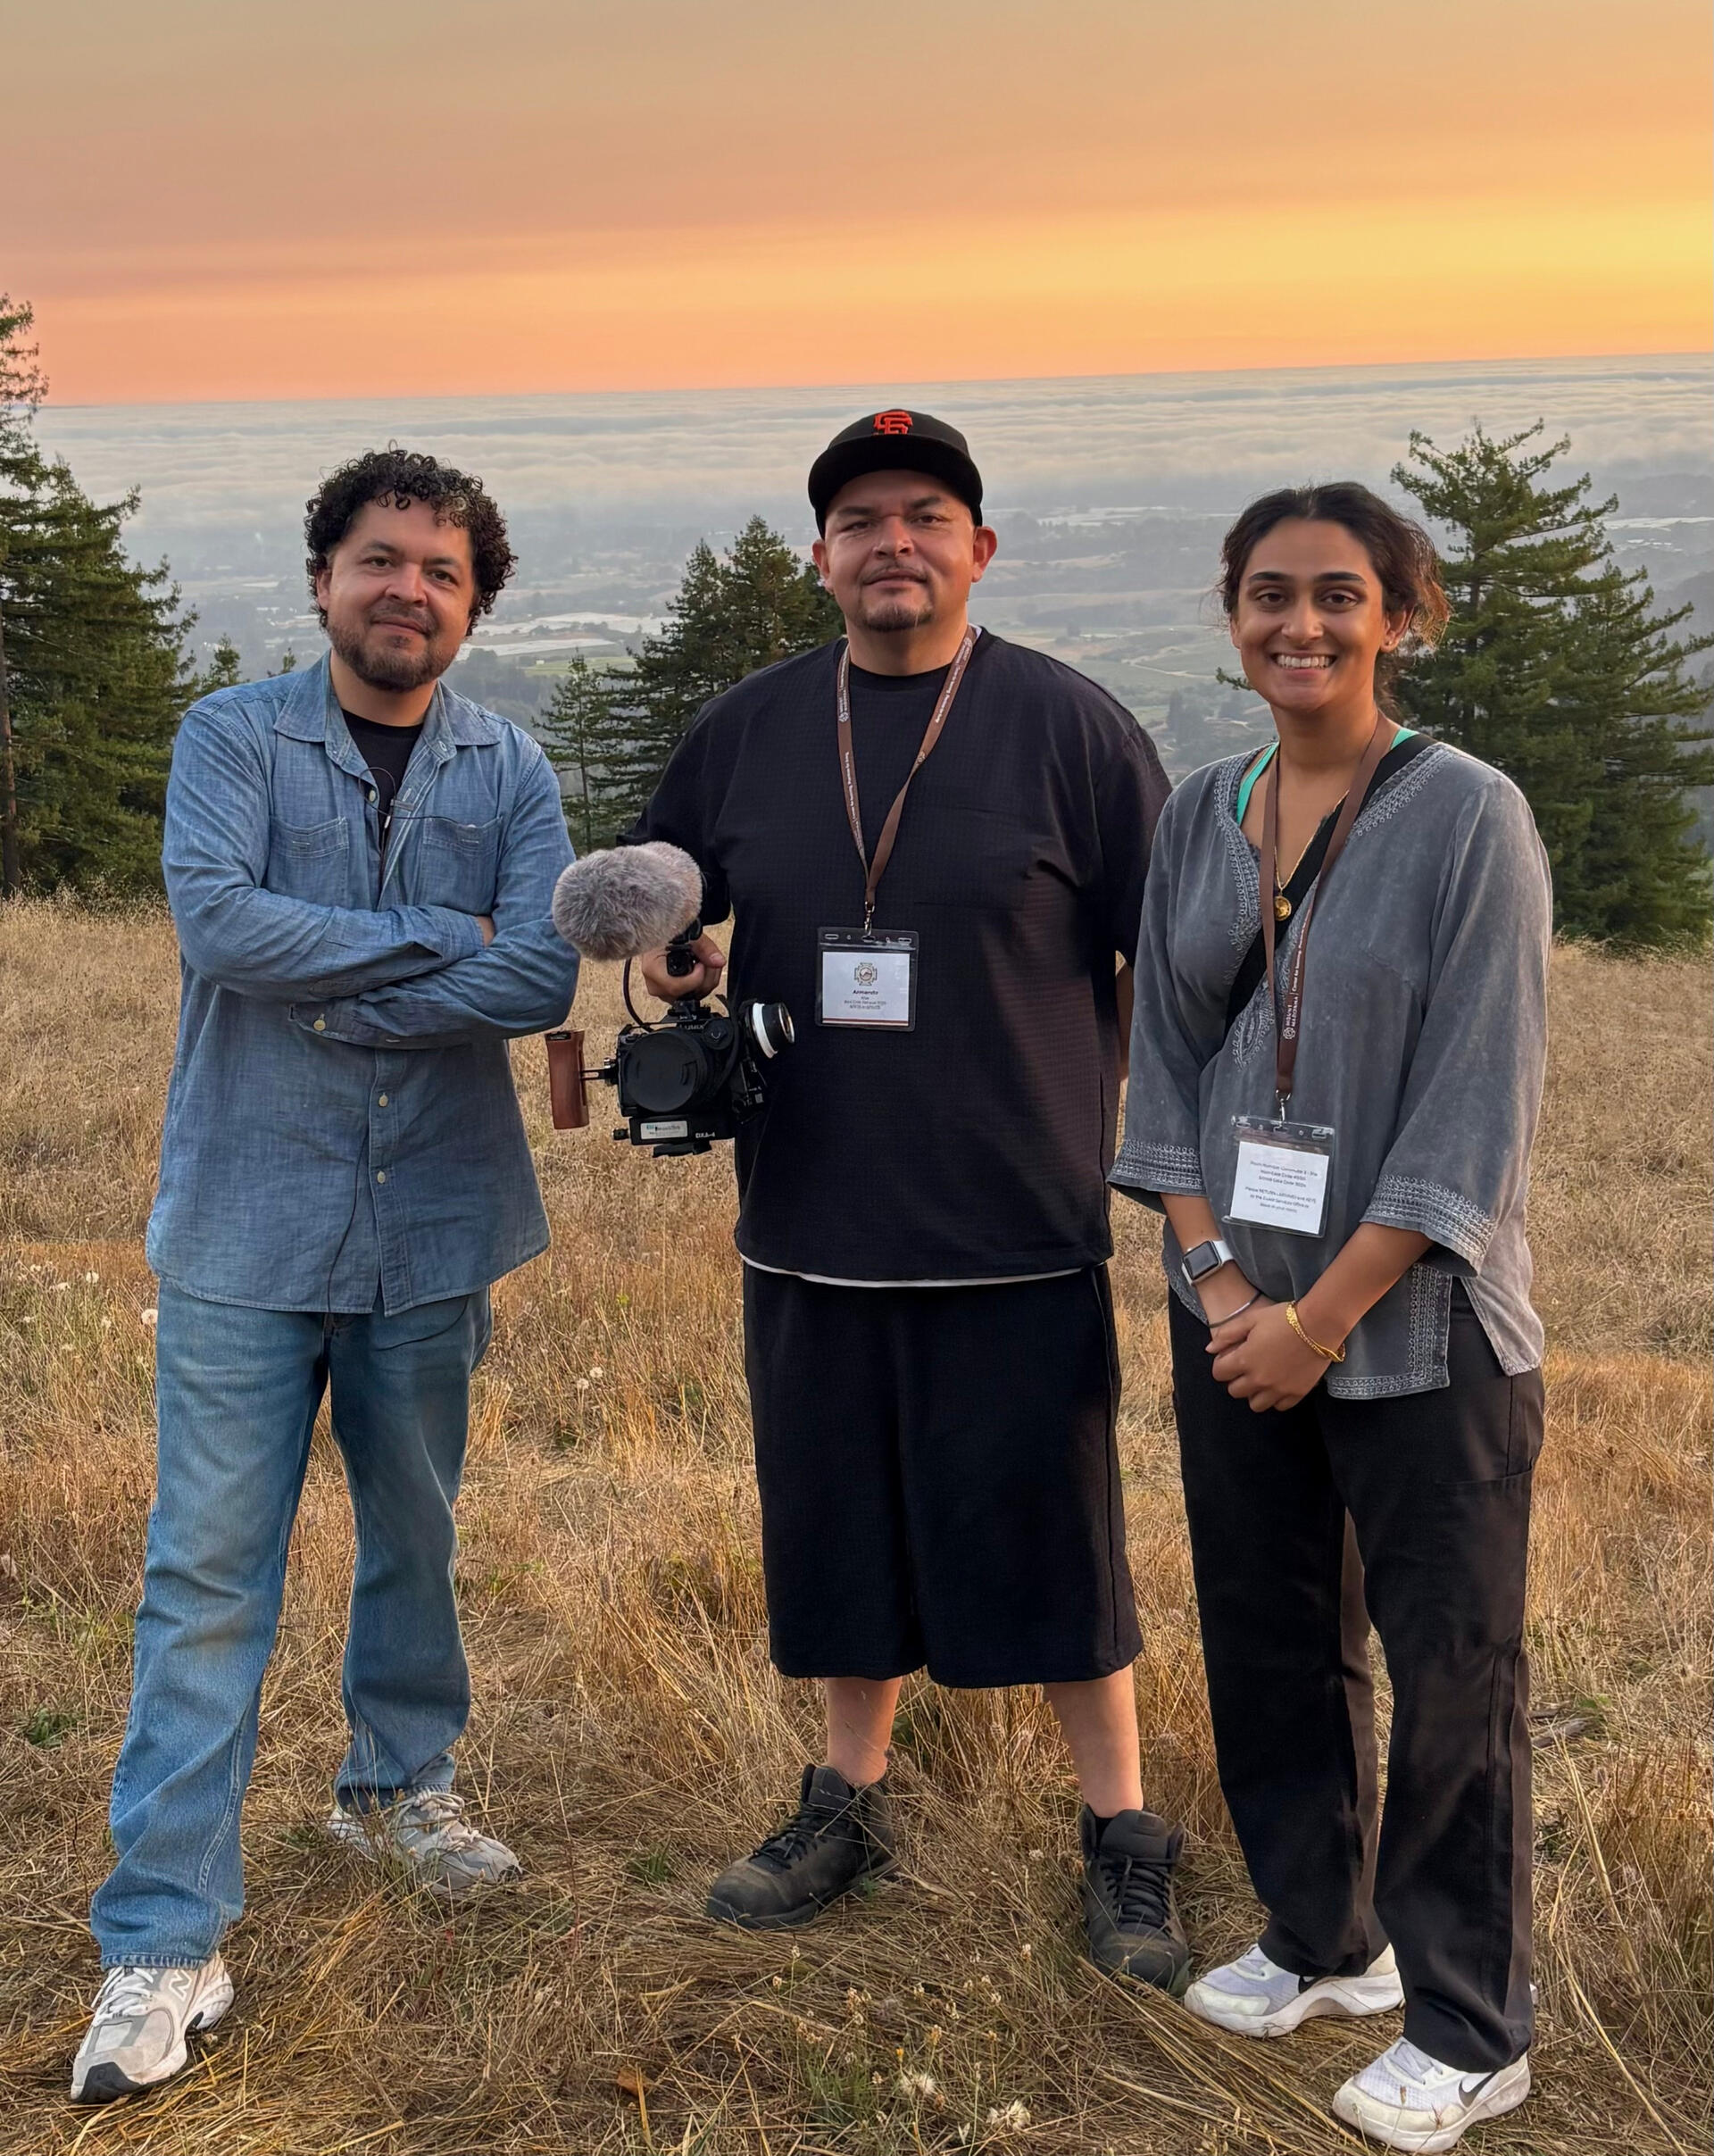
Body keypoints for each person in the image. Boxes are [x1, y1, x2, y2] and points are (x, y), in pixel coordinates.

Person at [628, 410, 1184, 1984]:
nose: (894, 543)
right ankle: (845, 1802)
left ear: (978, 548)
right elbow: (670, 901)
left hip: (1017, 1217)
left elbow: (1170, 957)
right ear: (821, 559)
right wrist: (670, 957)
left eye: (925, 515)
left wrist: (1127, 1126)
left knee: (1063, 1534)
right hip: (809, 1211)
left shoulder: (1070, 730)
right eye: (860, 520)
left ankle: (1121, 1835)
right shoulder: (747, 729)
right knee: (831, 1523)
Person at [72, 449, 580, 2104]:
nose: (406, 591)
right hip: (242, 1230)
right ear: (323, 578)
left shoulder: (511, 766)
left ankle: (397, 1787)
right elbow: (221, 928)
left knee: (415, 1538)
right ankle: (160, 1941)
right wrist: (437, 950)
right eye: (380, 560)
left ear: (473, 603)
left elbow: (542, 971)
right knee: (208, 1578)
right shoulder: (232, 737)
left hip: (433, 1224)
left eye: (440, 571)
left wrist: (369, 977)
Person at [1112, 483, 1551, 2151]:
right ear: (1233, 617)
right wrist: (1225, 1286)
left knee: (1453, 1674)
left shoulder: (1468, 816)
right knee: (1271, 1640)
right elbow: (1160, 1063)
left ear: (1401, 617)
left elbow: (1473, 1120)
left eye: (1339, 597)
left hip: (1423, 1335)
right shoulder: (1200, 814)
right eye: (1270, 595)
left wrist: (1321, 1318)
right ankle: (1322, 1936)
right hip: (1231, 1314)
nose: (1302, 624)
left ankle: (1470, 2020)